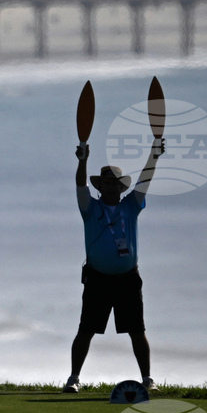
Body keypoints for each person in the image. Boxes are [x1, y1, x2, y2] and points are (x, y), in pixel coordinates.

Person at [63, 137, 164, 394]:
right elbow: (80, 184)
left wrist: (154, 156)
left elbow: (145, 181)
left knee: (137, 330)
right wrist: (82, 161)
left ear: (120, 188)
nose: (110, 187)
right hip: (98, 278)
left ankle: (148, 379)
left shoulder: (131, 206)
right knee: (86, 330)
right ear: (101, 186)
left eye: (114, 183)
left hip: (127, 279)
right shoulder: (90, 207)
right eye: (106, 182)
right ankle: (73, 378)